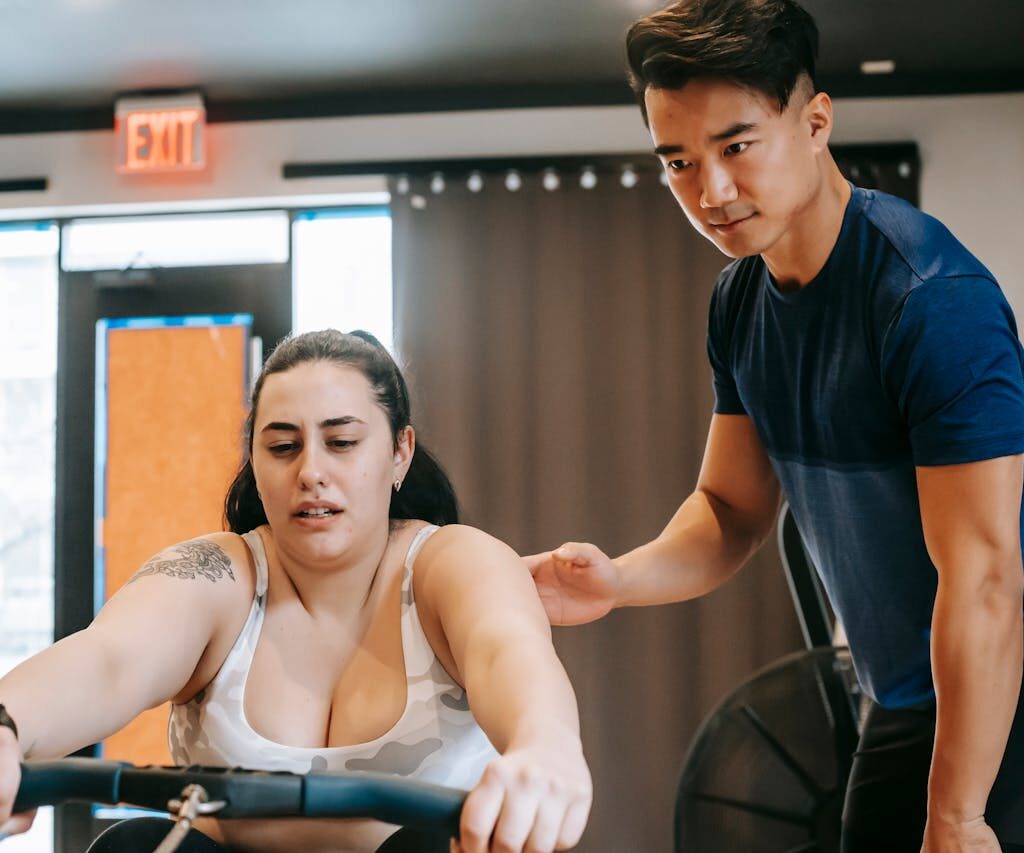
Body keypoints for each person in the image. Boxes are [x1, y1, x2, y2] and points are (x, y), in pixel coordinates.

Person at [526, 1, 1024, 851]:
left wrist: (959, 814)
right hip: (905, 697)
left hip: (1004, 696)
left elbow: (983, 578)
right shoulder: (741, 301)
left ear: (817, 121)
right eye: (678, 161)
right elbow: (730, 510)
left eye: (736, 146)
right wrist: (618, 579)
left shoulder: (929, 301)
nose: (710, 192)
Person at [0, 329, 592, 853]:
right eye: (283, 446)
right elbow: (110, 659)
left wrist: (546, 748)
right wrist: (7, 724)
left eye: (341, 442)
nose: (310, 470)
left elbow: (506, 649)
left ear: (399, 453)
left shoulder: (454, 561)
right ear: (255, 462)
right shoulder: (219, 575)